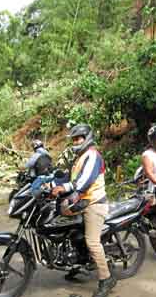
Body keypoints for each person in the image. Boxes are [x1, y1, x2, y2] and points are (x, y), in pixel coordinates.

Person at [51, 124, 116, 297]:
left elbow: (84, 181)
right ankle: (78, 263)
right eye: (73, 139)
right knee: (70, 231)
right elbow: (69, 178)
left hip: (94, 203)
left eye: (78, 138)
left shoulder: (93, 155)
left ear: (86, 138)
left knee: (92, 242)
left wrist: (65, 188)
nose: (75, 142)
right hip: (82, 203)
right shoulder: (80, 157)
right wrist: (50, 184)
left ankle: (106, 278)